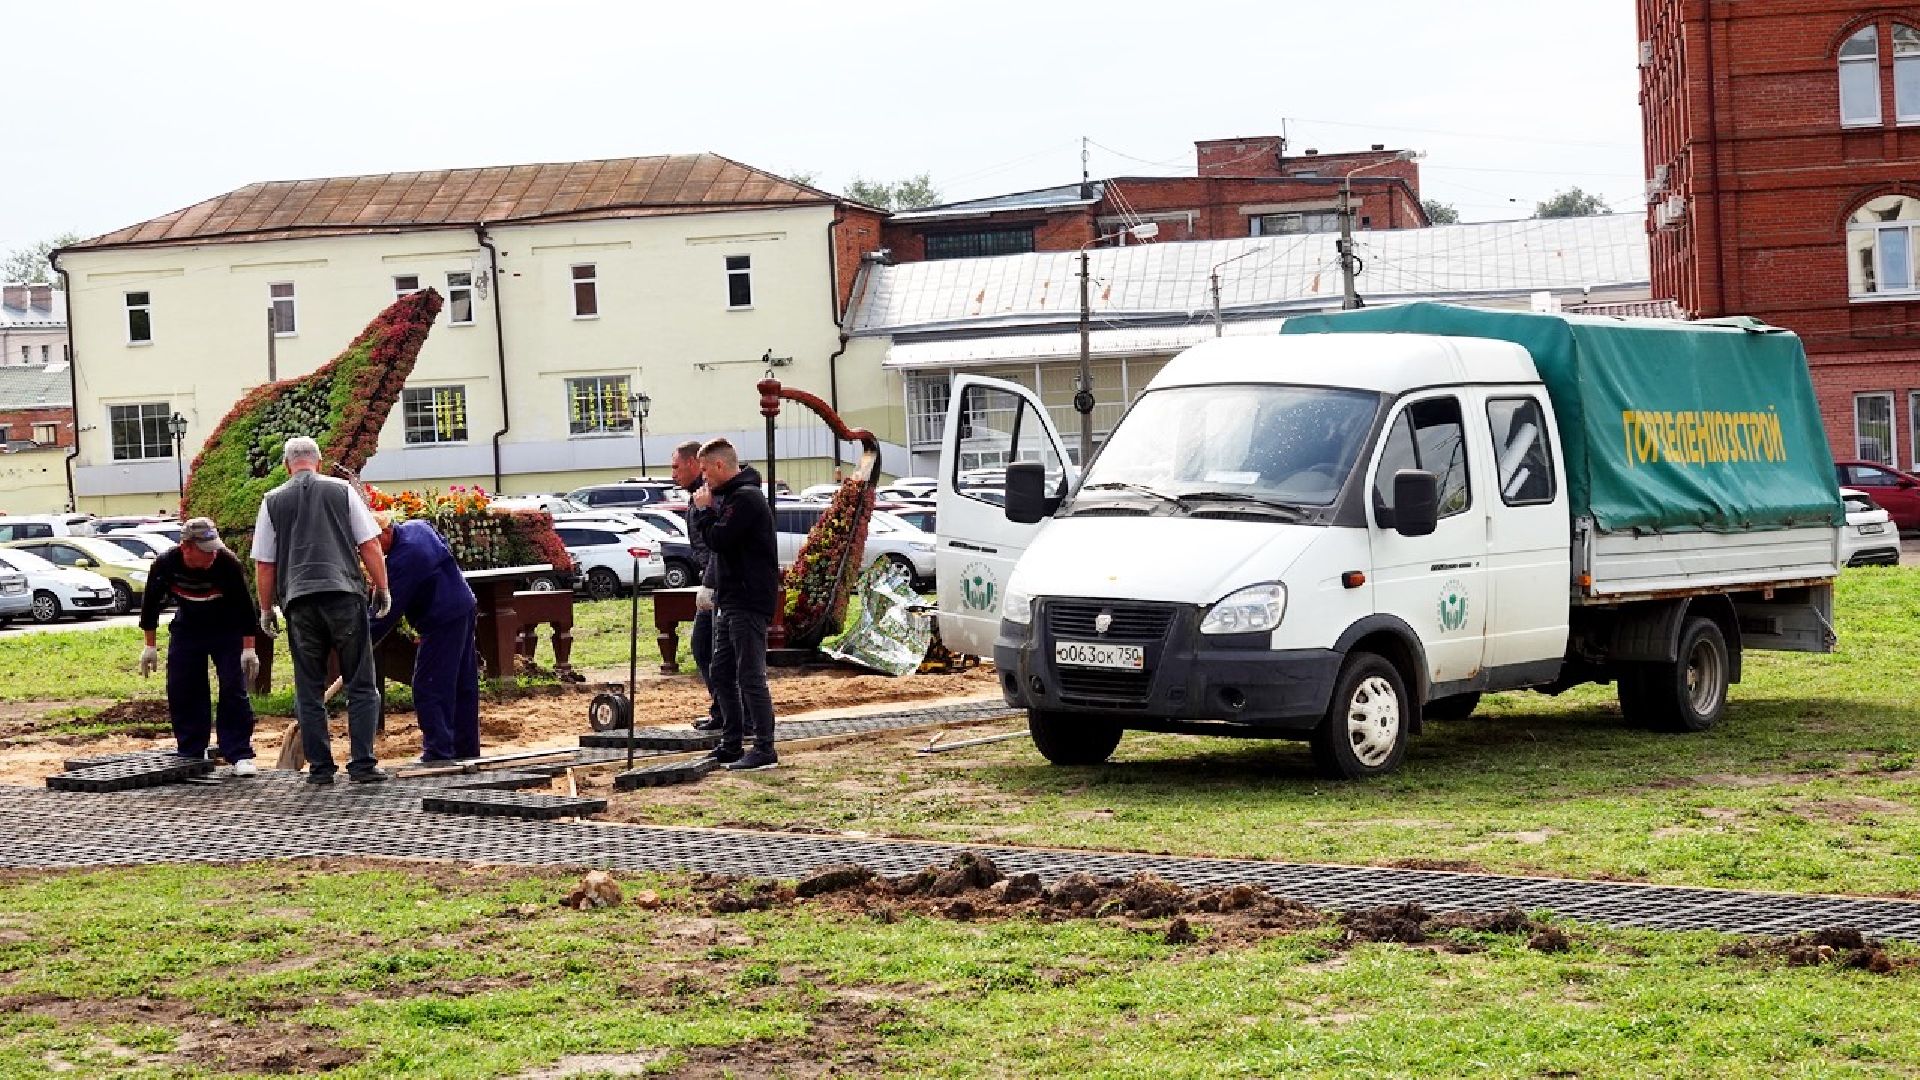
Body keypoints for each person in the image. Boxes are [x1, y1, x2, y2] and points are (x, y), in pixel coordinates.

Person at [252, 436, 391, 785]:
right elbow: (370, 544)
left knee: (309, 688)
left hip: (299, 602)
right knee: (361, 683)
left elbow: (265, 564)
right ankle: (362, 765)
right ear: (318, 461)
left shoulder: (272, 501)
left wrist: (266, 609)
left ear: (287, 465)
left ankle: (320, 768)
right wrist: (382, 587)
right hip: (344, 595)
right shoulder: (341, 491)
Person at [137, 517, 261, 775]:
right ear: (186, 548)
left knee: (232, 687)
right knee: (183, 686)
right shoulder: (165, 564)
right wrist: (150, 646)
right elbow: (150, 606)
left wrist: (248, 649)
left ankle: (238, 753)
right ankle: (192, 750)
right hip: (188, 627)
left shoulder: (227, 563)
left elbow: (245, 609)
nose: (211, 555)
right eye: (205, 551)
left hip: (226, 629)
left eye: (214, 548)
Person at [693, 438, 780, 771]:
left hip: (748, 599)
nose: (703, 480)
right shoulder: (732, 496)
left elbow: (719, 540)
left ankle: (764, 748)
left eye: (705, 471)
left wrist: (703, 513)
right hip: (730, 599)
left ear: (719, 466)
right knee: (721, 671)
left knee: (750, 674)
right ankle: (731, 743)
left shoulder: (745, 498)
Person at [369, 515, 480, 763]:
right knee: (462, 684)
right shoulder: (417, 526)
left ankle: (439, 751)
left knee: (430, 685)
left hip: (441, 618)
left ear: (385, 533)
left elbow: (386, 614)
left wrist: (359, 644)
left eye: (372, 543)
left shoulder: (404, 559)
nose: (370, 551)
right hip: (463, 605)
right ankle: (466, 749)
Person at [671, 438, 722, 734]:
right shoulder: (698, 496)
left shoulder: (708, 496)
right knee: (704, 647)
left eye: (677, 467)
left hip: (719, 582)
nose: (673, 474)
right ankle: (722, 711)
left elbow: (716, 545)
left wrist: (710, 584)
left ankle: (731, 714)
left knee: (712, 649)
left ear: (694, 464)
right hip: (711, 580)